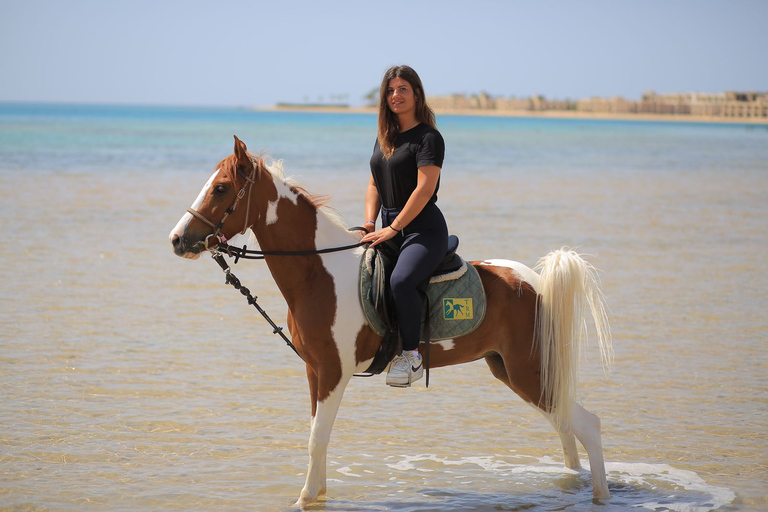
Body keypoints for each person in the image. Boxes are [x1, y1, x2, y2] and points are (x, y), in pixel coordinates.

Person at [361, 65, 449, 387]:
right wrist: (370, 223)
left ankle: (411, 356)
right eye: (390, 90)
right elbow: (373, 185)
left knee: (400, 281)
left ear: (416, 95)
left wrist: (394, 228)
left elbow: (424, 190)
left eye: (403, 89)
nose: (395, 96)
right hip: (387, 226)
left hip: (422, 230)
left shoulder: (428, 138)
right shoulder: (385, 137)